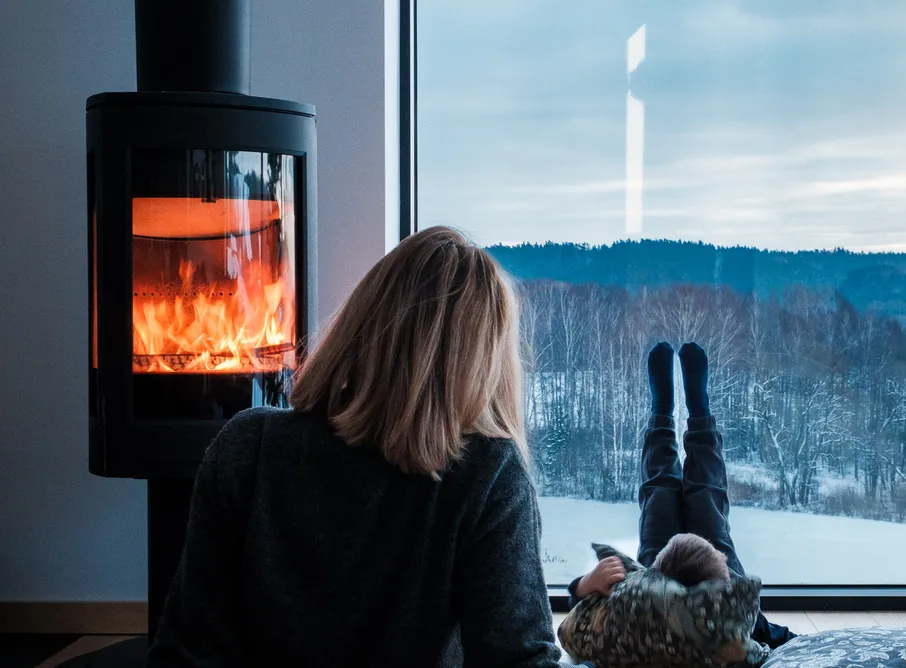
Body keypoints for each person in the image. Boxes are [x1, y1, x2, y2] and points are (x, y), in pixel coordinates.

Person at [147, 226, 588, 667]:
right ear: (485, 364)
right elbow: (518, 657)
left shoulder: (248, 445)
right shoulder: (489, 474)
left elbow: (186, 651)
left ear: (361, 321)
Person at [568, 342, 796, 650]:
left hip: (655, 591)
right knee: (699, 497)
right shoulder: (740, 623)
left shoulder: (633, 622)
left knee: (668, 493)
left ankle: (663, 411)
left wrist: (582, 586)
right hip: (680, 580)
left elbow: (577, 627)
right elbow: (792, 644)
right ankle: (697, 412)